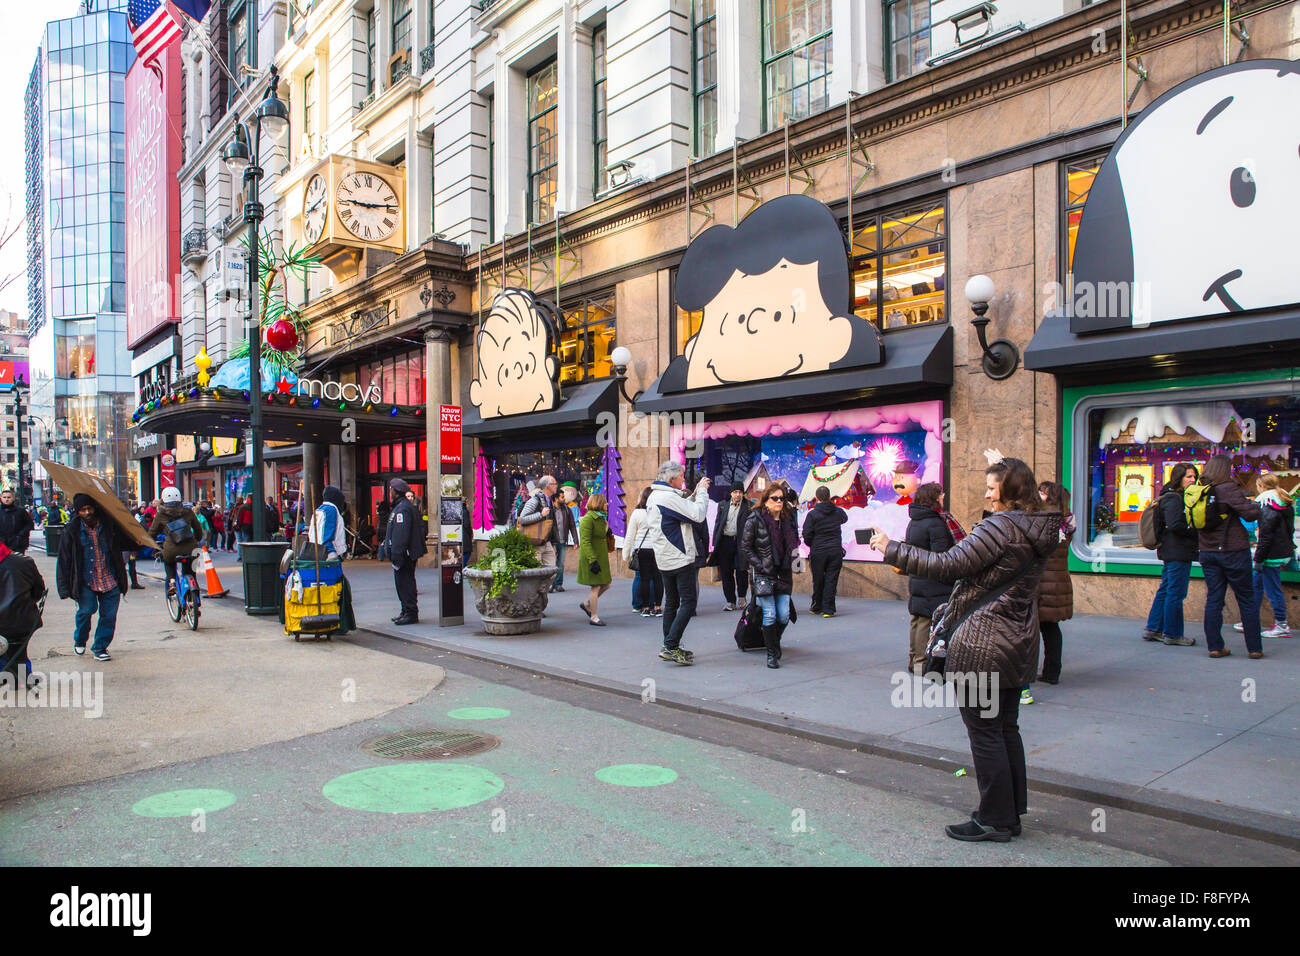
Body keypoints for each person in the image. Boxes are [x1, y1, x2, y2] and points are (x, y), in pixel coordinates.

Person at [872, 457, 1060, 842]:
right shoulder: (1039, 528)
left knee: (985, 732)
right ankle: (1009, 813)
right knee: (1006, 728)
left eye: (993, 489)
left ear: (1010, 493)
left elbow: (948, 564)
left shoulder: (1000, 528)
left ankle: (992, 819)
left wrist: (892, 549)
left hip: (984, 642)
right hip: (1017, 639)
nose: (987, 495)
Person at [1196, 456, 1263, 659]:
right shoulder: (1227, 487)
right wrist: (1258, 506)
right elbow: (1250, 514)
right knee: (1246, 599)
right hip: (1232, 551)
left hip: (1208, 552)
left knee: (1214, 599)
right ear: (1226, 469)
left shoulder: (1200, 488)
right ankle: (1254, 648)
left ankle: (1215, 647)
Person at [644, 461, 710, 664]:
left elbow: (679, 510)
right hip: (679, 558)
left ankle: (669, 645)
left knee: (672, 603)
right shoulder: (666, 497)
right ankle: (671, 645)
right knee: (689, 603)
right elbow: (697, 515)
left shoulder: (657, 495)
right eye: (681, 476)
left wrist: (694, 493)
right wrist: (702, 493)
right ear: (672, 478)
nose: (683, 480)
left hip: (665, 559)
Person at [56, 493, 129, 662]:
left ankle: (100, 647)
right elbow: (64, 559)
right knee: (86, 611)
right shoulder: (72, 530)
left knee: (109, 616)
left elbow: (128, 539)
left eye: (89, 508)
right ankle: (80, 639)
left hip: (109, 577)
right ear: (78, 512)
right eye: (83, 510)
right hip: (86, 580)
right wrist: (64, 587)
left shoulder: (109, 526)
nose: (87, 512)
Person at [741, 483, 803, 669]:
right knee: (770, 614)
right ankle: (771, 654)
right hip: (763, 573)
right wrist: (759, 565)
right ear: (766, 500)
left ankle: (773, 642)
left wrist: (796, 564)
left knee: (783, 616)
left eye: (782, 498)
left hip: (783, 572)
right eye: (774, 498)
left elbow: (795, 543)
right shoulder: (755, 519)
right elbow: (746, 547)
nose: (779, 502)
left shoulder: (788, 518)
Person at [1144, 463, 1200, 646]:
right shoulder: (1175, 499)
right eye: (1189, 477)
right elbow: (1175, 524)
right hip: (1178, 550)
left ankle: (1154, 628)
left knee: (1167, 589)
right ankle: (1172, 633)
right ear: (1179, 478)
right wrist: (1195, 529)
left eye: (1194, 477)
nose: (1193, 480)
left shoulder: (1168, 496)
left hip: (1172, 549)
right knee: (1176, 592)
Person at [903, 482, 956, 675]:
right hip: (933, 579)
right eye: (940, 494)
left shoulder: (914, 521)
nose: (943, 497)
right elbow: (941, 555)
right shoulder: (935, 522)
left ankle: (913, 660)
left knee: (917, 619)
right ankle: (921, 664)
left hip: (918, 576)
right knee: (926, 620)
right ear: (933, 498)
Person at [1234, 473, 1294, 640]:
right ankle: (1250, 620)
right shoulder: (1284, 502)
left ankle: (1282, 624)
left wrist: (1259, 558)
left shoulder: (1266, 504)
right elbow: (1289, 531)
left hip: (1270, 555)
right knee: (1256, 585)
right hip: (1278, 552)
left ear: (1261, 487)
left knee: (1272, 589)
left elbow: (1265, 536)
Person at [1033, 481, 1076, 695]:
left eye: (1042, 492)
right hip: (1058, 580)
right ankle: (1052, 671)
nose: (1038, 494)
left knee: (1035, 627)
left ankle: (1035, 671)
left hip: (1042, 581)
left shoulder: (1044, 518)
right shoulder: (1066, 519)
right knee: (1050, 628)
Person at [306, 485, 355, 632]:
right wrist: (332, 554)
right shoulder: (331, 510)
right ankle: (337, 623)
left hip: (318, 553)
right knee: (335, 590)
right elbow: (328, 534)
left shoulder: (318, 510)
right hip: (328, 556)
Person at [0, 539, 46, 688]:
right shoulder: (23, 562)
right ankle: (21, 676)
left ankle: (12, 675)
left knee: (11, 648)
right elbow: (38, 590)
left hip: (12, 622)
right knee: (18, 647)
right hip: (21, 620)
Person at [383, 478, 425, 624]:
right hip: (402, 554)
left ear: (396, 492)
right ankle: (405, 610)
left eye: (391, 490)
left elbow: (401, 534)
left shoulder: (403, 509)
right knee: (402, 583)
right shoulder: (401, 506)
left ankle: (410, 612)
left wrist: (397, 553)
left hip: (404, 555)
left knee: (405, 583)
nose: (390, 492)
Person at [802, 484, 847, 617]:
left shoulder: (812, 515)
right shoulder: (838, 512)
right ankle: (828, 609)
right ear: (829, 497)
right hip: (835, 551)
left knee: (818, 579)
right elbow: (844, 518)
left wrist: (812, 544)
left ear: (816, 498)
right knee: (831, 579)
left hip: (818, 552)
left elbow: (807, 534)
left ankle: (817, 606)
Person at [148, 487, 204, 593]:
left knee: (168, 562)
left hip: (171, 549)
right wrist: (197, 539)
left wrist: (153, 545)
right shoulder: (188, 512)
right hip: (190, 548)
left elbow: (152, 533)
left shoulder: (160, 514)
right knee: (191, 572)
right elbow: (198, 528)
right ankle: (195, 595)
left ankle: (172, 582)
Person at [623, 486, 662, 617]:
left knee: (644, 579)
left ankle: (645, 608)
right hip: (657, 548)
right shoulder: (660, 512)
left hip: (642, 549)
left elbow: (630, 535)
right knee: (658, 578)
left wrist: (626, 553)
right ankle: (657, 607)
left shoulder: (637, 513)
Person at [711, 485, 750, 611]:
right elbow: (718, 524)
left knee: (741, 571)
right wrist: (715, 542)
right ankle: (730, 601)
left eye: (740, 492)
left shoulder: (748, 506)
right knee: (726, 573)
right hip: (725, 542)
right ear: (731, 493)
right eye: (735, 492)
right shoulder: (723, 505)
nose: (738, 494)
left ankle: (742, 598)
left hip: (741, 542)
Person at [577, 493, 613, 626]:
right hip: (591, 557)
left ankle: (587, 604)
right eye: (604, 502)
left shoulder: (601, 518)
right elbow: (585, 542)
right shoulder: (588, 519)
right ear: (598, 503)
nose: (606, 504)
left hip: (601, 556)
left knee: (606, 584)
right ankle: (594, 616)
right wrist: (592, 559)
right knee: (596, 586)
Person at [517, 475, 563, 570]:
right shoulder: (534, 501)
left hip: (546, 541)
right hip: (534, 541)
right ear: (548, 486)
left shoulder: (549, 501)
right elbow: (522, 519)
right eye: (554, 484)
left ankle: (546, 585)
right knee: (536, 572)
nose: (556, 486)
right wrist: (540, 515)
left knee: (552, 571)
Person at [550, 483, 579, 593]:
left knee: (560, 563)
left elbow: (572, 525)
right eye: (562, 497)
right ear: (556, 498)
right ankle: (550, 584)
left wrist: (576, 541)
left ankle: (558, 584)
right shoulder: (550, 510)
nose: (564, 499)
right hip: (552, 541)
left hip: (562, 541)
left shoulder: (567, 509)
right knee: (551, 564)